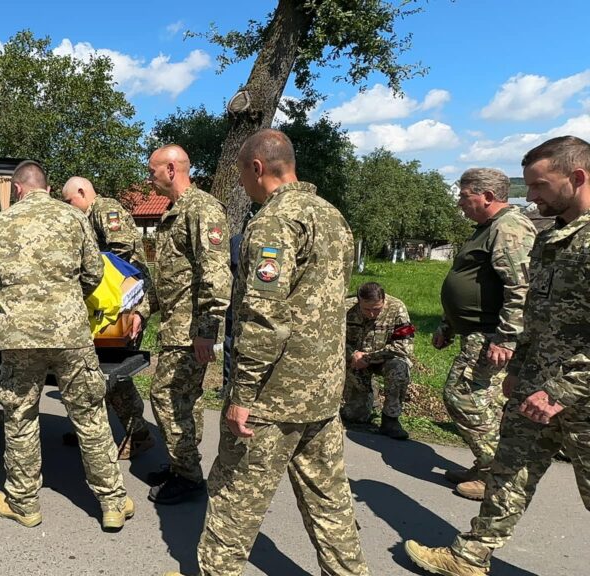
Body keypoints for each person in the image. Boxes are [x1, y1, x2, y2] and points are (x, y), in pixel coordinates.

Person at [183, 129, 369, 576]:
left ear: (257, 168)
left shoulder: (273, 222)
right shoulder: (331, 217)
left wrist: (243, 394)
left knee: (234, 494)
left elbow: (265, 317)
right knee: (329, 497)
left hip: (272, 394)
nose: (243, 186)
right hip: (321, 391)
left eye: (242, 175)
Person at [405, 136, 590, 575]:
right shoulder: (558, 236)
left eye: (539, 185)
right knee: (509, 472)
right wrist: (521, 368)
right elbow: (536, 311)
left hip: (577, 395)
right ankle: (469, 556)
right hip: (535, 387)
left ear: (578, 177)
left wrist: (560, 390)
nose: (531, 196)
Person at [0, 161, 133, 531]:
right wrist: (65, 302)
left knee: (20, 417)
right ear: (46, 188)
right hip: (70, 335)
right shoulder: (74, 218)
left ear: (17, 189)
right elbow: (95, 273)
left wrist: (21, 305)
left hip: (19, 337)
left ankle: (24, 502)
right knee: (90, 415)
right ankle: (112, 502)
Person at [433, 167, 536, 500]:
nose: (460, 204)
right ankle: (485, 464)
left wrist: (506, 338)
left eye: (464, 196)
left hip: (491, 334)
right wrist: (448, 324)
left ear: (487, 196)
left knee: (462, 396)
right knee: (478, 400)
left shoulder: (509, 227)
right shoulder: (486, 228)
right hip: (475, 332)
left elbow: (520, 287)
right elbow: (472, 280)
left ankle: (496, 473)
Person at [145, 144, 231, 505]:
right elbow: (170, 277)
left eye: (151, 171)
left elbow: (216, 276)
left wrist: (206, 333)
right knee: (187, 398)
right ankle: (183, 463)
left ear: (170, 169)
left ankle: (189, 476)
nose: (149, 178)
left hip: (190, 330)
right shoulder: (175, 211)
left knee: (164, 395)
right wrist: (143, 311)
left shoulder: (202, 209)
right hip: (176, 325)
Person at [61, 176, 155, 459]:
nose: (69, 207)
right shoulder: (89, 217)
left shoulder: (105, 209)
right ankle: (93, 433)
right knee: (94, 373)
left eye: (69, 201)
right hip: (110, 302)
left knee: (113, 373)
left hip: (126, 302)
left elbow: (120, 251)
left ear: (81, 192)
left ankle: (137, 433)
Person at [341, 281, 415, 440]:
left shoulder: (397, 308)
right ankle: (367, 395)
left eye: (377, 309)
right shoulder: (346, 308)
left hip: (384, 359)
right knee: (356, 416)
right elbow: (332, 340)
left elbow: (405, 346)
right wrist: (352, 354)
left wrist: (369, 357)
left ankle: (391, 419)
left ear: (383, 300)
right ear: (358, 301)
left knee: (399, 368)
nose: (372, 314)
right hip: (355, 362)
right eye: (366, 309)